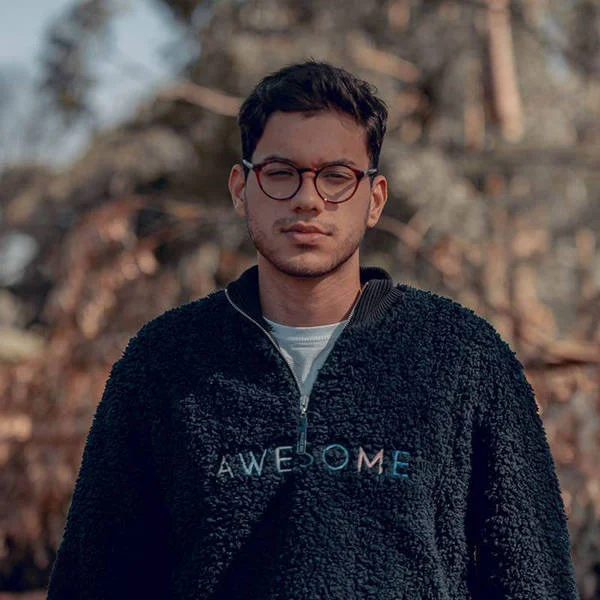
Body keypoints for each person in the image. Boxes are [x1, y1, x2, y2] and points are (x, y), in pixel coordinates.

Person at [46, 60, 579, 599]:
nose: (308, 198)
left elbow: (533, 579)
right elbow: (94, 582)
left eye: (336, 176)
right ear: (241, 188)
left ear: (374, 199)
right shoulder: (164, 362)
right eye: (280, 172)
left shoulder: (462, 356)